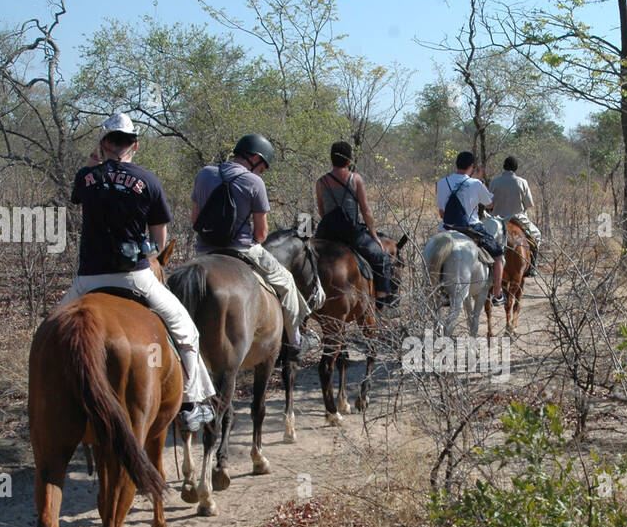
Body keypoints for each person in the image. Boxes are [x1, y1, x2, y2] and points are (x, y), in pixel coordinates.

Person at [63, 113, 216, 433]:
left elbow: (83, 187)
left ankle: (50, 407)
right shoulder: (148, 181)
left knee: (49, 335)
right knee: (187, 332)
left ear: (104, 143)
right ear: (135, 144)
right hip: (135, 276)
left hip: (88, 279)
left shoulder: (84, 178)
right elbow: (159, 243)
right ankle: (191, 404)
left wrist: (99, 157)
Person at [190, 134, 312, 355]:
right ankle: (295, 342)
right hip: (242, 249)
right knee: (287, 283)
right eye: (262, 168)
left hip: (203, 250)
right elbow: (262, 233)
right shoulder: (254, 182)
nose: (261, 172)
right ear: (255, 158)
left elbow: (194, 220)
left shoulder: (204, 174)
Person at [314, 141, 398, 310]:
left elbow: (322, 210)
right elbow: (366, 211)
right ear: (349, 160)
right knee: (381, 258)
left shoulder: (321, 182)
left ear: (331, 159)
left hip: (326, 232)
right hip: (350, 231)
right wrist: (374, 236)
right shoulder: (355, 178)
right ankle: (382, 302)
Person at [437, 151, 504, 305]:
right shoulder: (475, 183)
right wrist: (479, 180)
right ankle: (497, 294)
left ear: (456, 164)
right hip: (471, 228)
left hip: (447, 228)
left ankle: (439, 289)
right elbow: (489, 204)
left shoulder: (442, 182)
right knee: (498, 255)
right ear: (472, 167)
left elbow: (442, 213)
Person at [488, 156, 542, 277]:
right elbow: (529, 203)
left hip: (497, 219)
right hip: (517, 218)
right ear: (516, 168)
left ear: (504, 166)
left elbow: (489, 204)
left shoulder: (494, 181)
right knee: (537, 235)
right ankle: (532, 266)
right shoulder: (522, 182)